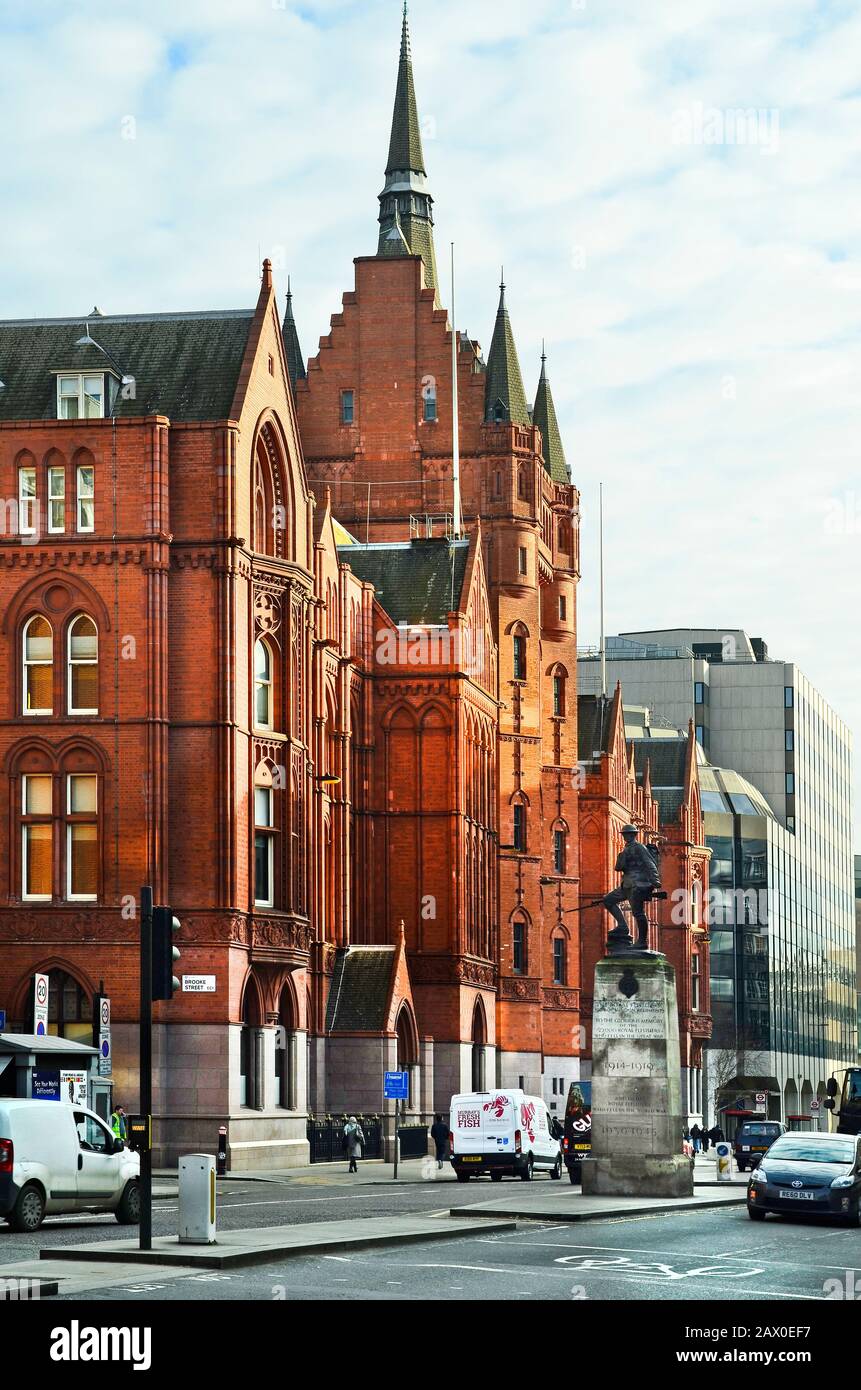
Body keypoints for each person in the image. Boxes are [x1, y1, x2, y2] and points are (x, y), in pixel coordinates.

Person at [602, 825, 661, 949]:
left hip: (637, 884)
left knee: (638, 913)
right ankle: (623, 926)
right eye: (624, 834)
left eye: (628, 834)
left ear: (633, 835)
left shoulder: (639, 847)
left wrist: (655, 880)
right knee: (608, 900)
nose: (625, 836)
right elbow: (619, 867)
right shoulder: (626, 849)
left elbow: (649, 863)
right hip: (627, 884)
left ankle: (642, 941)